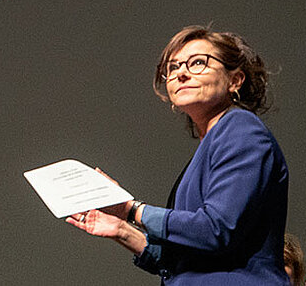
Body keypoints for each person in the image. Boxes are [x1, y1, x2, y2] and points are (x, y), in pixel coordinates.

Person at [65, 26, 289, 283]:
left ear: (235, 80)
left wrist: (132, 209)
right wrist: (121, 228)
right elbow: (187, 261)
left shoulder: (241, 128)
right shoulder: (210, 145)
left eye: (197, 63)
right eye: (173, 68)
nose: (181, 73)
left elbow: (216, 230)